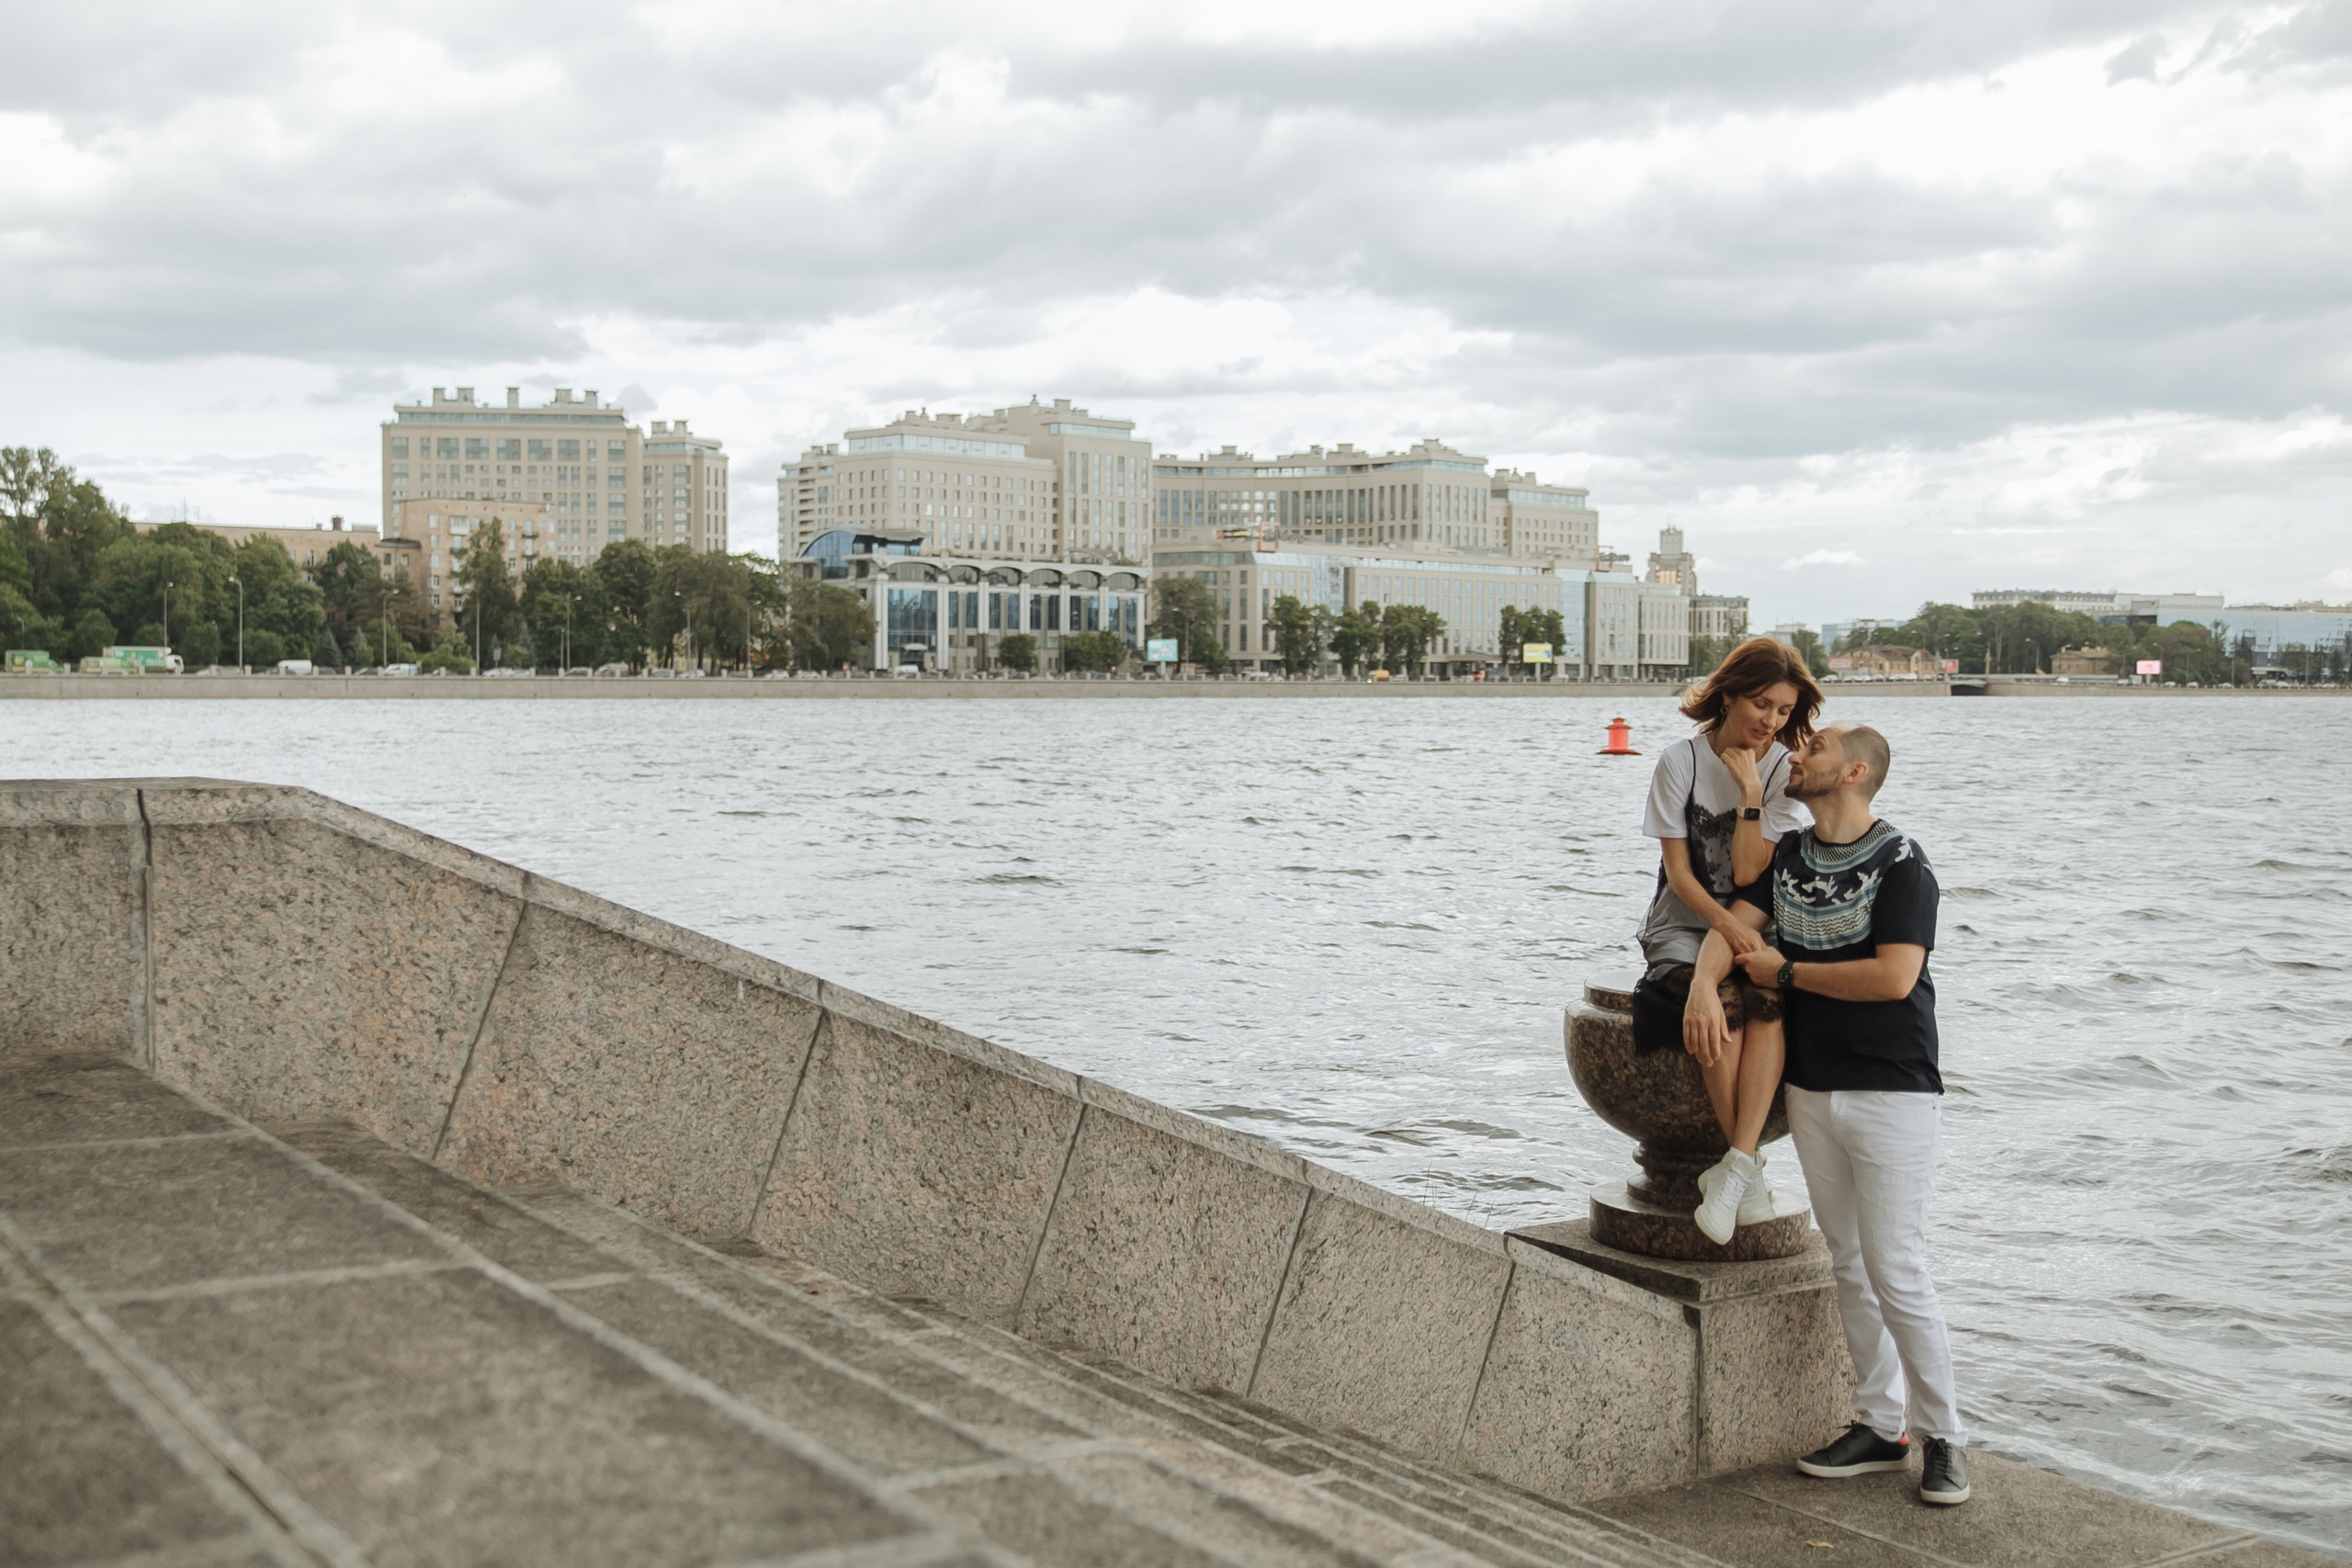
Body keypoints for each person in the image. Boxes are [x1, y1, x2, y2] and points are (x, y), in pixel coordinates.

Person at [1681, 723, 1969, 1507]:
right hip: (1811, 1088)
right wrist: (1706, 984)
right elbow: (1739, 909)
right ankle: (1880, 1424)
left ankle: (1946, 1436)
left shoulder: (1903, 862)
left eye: (1814, 749)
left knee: (1897, 1265)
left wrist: (1791, 971)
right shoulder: (1795, 857)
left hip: (1894, 1089)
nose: (1794, 753)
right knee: (1848, 1260)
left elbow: (1894, 977)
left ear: (1855, 770)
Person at [1634, 636, 1821, 1243]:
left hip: (1753, 914)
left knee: (1767, 1004)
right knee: (1724, 1009)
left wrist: (1748, 793)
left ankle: (1736, 1168)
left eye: (1784, 711)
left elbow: (1750, 874)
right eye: (1761, 704)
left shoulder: (1777, 770)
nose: (1771, 722)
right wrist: (1716, 950)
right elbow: (1681, 875)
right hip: (1685, 920)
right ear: (1730, 694)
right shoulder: (1679, 763)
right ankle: (1751, 1173)